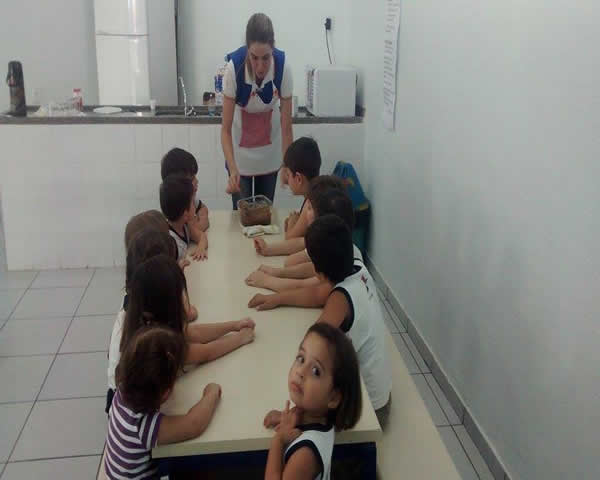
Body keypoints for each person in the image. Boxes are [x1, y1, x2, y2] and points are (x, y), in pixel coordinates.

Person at [254, 215, 392, 428]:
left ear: (318, 272)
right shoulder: (357, 268)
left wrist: (292, 415)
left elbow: (313, 345)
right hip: (380, 394)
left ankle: (295, 419)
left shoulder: (340, 299)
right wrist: (277, 299)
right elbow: (317, 295)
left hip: (369, 411)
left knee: (313, 374)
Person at [104, 326, 222, 479]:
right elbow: (194, 425)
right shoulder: (143, 425)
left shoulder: (121, 391)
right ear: (165, 393)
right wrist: (212, 393)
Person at [263, 322, 362, 479]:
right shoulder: (319, 415)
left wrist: (278, 440)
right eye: (301, 358)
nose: (301, 371)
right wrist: (285, 417)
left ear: (333, 398)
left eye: (316, 371)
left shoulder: (305, 455)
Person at [120, 255, 256, 369]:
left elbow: (194, 332)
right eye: (180, 293)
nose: (184, 298)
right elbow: (206, 353)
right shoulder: (159, 341)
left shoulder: (147, 319)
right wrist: (241, 338)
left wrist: (234, 325)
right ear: (166, 303)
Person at [221, 13, 293, 208]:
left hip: (269, 153)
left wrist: (287, 165)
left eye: (266, 58)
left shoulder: (283, 67)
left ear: (273, 49)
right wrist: (232, 169)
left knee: (264, 215)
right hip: (240, 156)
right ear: (247, 50)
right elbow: (225, 130)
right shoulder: (233, 69)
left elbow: (287, 126)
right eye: (254, 57)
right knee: (242, 217)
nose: (260, 67)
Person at [246, 180, 357, 294]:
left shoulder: (334, 255)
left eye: (309, 208)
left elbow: (304, 287)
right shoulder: (337, 240)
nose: (304, 212)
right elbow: (301, 246)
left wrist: (266, 281)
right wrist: (268, 250)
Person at [279, 137, 321, 239]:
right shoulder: (318, 190)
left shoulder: (311, 202)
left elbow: (290, 239)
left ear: (298, 179)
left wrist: (292, 222)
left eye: (288, 175)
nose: (287, 181)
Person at [161, 147, 210, 234]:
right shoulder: (174, 208)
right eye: (192, 178)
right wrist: (197, 227)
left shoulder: (190, 199)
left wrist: (200, 223)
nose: (197, 181)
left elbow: (203, 208)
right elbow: (192, 233)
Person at [160, 174, 208, 261]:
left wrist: (201, 248)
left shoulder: (186, 226)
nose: (195, 205)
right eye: (192, 202)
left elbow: (202, 236)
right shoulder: (170, 241)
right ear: (186, 214)